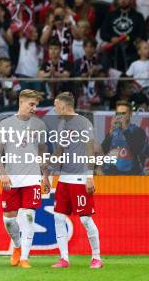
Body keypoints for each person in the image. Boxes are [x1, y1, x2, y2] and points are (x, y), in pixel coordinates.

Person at [0, 89, 50, 269]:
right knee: (9, 219)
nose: (34, 108)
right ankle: (17, 246)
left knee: (29, 216)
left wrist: (45, 176)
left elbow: (42, 152)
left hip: (32, 177)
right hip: (12, 178)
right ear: (21, 102)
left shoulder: (39, 125)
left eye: (36, 105)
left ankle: (24, 257)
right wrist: (3, 173)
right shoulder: (5, 124)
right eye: (31, 104)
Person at [51, 92, 103, 269]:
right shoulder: (62, 125)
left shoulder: (83, 123)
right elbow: (60, 150)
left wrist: (90, 176)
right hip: (64, 178)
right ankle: (64, 258)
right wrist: (47, 166)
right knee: (58, 217)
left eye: (56, 105)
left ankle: (96, 258)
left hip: (80, 178)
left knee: (85, 219)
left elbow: (90, 151)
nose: (55, 109)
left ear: (64, 106)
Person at [100, 101, 149, 175]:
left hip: (131, 174)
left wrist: (124, 128)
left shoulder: (138, 130)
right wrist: (111, 131)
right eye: (118, 113)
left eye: (123, 113)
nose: (120, 116)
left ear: (130, 114)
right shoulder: (114, 131)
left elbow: (137, 150)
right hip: (112, 173)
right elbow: (103, 150)